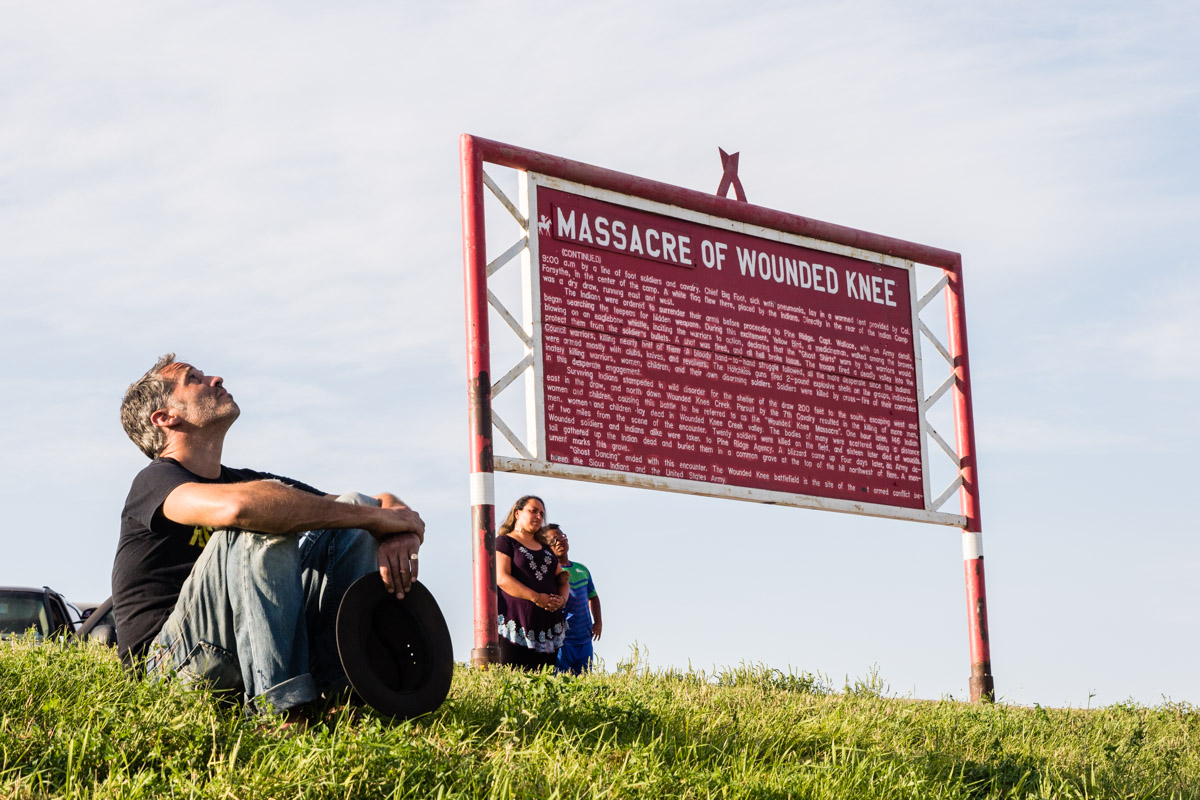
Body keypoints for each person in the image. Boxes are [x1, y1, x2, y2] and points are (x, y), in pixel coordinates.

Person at [113, 353, 426, 720]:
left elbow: (373, 504)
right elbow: (238, 510)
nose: (216, 378)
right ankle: (281, 713)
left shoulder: (246, 483)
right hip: (173, 665)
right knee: (262, 520)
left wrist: (396, 531)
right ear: (165, 418)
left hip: (251, 641)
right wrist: (378, 518)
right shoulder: (156, 481)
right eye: (194, 379)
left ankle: (339, 696)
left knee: (352, 512)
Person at [494, 495, 568, 670]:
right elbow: (502, 578)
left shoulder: (545, 548)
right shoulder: (505, 542)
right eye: (533, 511)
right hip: (515, 625)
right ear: (518, 513)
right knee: (512, 681)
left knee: (543, 684)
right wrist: (536, 597)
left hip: (547, 629)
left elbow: (563, 579)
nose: (539, 517)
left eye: (542, 514)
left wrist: (563, 600)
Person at [543, 524, 602, 674]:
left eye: (561, 537)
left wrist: (599, 622)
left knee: (583, 682)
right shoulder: (548, 574)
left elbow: (593, 597)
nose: (559, 542)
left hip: (584, 639)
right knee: (560, 682)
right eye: (553, 540)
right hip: (562, 641)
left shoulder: (582, 569)